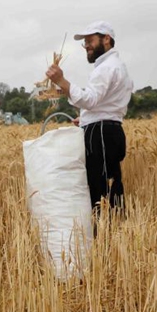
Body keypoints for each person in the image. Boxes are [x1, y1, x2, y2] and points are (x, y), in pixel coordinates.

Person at [45, 20, 134, 211]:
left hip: (101, 133)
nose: (86, 46)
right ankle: (115, 233)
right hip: (107, 130)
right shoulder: (115, 66)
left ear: (107, 39)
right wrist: (86, 119)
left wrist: (62, 81)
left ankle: (105, 236)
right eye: (84, 42)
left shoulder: (107, 68)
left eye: (90, 40)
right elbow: (104, 104)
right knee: (111, 188)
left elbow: (91, 100)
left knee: (99, 191)